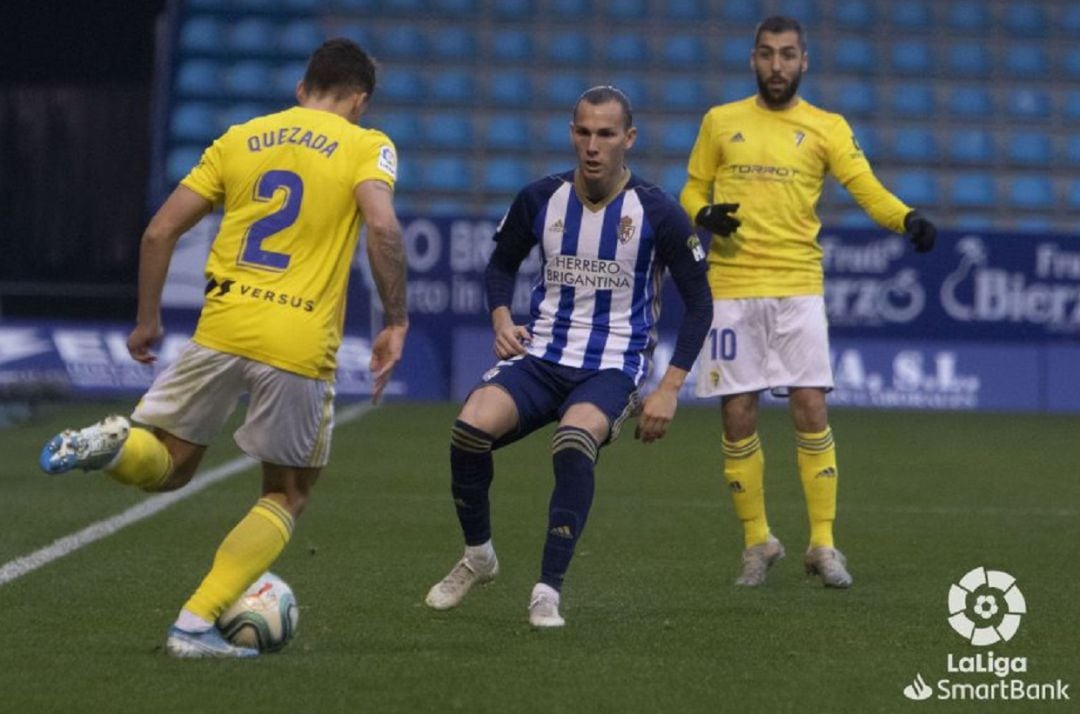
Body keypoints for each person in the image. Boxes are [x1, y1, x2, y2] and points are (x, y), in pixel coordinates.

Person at [38, 38, 408, 657]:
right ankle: (193, 626)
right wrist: (395, 318)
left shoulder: (239, 138)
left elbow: (160, 230)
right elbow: (382, 225)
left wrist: (147, 321)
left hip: (223, 325)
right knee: (286, 493)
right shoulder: (368, 145)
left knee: (170, 467)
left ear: (301, 88)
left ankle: (114, 444)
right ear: (359, 101)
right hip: (296, 341)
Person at [424, 86, 713, 628]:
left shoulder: (657, 212)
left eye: (606, 134)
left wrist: (669, 388)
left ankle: (546, 590)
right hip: (542, 356)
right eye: (583, 132)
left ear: (629, 139)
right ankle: (479, 556)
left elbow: (700, 304)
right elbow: (500, 266)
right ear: (571, 133)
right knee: (468, 428)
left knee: (574, 442)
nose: (593, 145)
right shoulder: (541, 198)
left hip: (612, 365)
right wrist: (501, 318)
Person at [679, 16, 936, 589]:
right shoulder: (721, 121)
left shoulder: (825, 127)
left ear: (804, 62)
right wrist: (702, 213)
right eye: (767, 54)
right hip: (734, 286)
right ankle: (757, 542)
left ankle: (823, 544)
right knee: (738, 413)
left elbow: (863, 185)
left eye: (788, 55)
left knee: (810, 408)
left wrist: (905, 218)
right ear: (753, 60)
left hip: (798, 285)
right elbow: (693, 186)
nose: (777, 65)